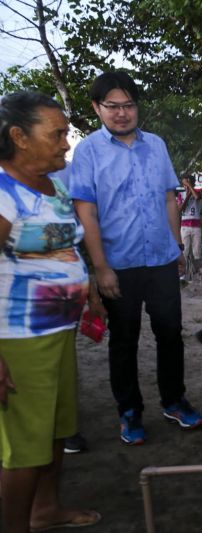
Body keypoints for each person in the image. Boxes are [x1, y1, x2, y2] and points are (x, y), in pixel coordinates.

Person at [70, 71, 202, 446]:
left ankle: (174, 400)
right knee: (124, 340)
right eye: (112, 106)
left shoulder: (156, 145)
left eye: (128, 105)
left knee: (169, 333)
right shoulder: (88, 151)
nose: (122, 113)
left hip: (160, 259)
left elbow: (168, 198)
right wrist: (101, 268)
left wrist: (176, 246)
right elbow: (87, 211)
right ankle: (129, 411)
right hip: (119, 264)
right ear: (97, 108)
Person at [0, 91, 102, 533]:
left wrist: (89, 288)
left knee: (57, 429)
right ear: (19, 137)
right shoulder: (3, 194)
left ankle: (45, 510)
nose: (66, 143)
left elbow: (63, 244)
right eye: (57, 133)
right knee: (25, 446)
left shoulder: (54, 185)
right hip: (19, 339)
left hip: (58, 331)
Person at [178, 171, 202, 266]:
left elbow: (197, 198)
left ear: (192, 184)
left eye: (188, 183)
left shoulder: (197, 193)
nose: (186, 186)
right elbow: (181, 209)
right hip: (185, 226)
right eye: (185, 184)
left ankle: (198, 272)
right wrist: (187, 195)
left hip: (196, 225)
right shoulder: (181, 195)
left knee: (196, 250)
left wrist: (190, 187)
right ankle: (187, 272)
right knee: (185, 250)